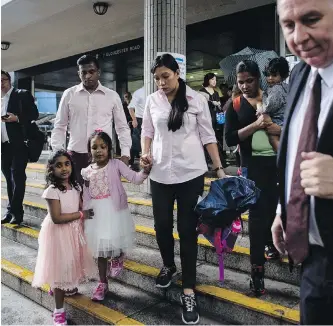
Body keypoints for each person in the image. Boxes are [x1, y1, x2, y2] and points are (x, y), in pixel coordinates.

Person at [271, 0, 333, 324]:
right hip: (313, 268)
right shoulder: (300, 74)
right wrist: (286, 209)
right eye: (289, 25)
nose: (299, 37)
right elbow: (295, 150)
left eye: (311, 19)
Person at [141, 53, 226, 325]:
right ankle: (168, 265)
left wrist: (220, 169)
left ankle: (188, 289)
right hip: (160, 174)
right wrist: (145, 153)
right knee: (161, 225)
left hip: (191, 173)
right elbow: (147, 131)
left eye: (165, 76)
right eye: (157, 78)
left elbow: (208, 136)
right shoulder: (152, 101)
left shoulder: (196, 99)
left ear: (177, 73)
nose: (161, 83)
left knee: (187, 230)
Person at [225, 60, 282, 296]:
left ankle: (272, 242)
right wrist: (256, 124)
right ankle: (257, 273)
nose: (245, 85)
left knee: (273, 212)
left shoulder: (274, 99)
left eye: (250, 80)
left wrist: (272, 126)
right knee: (257, 221)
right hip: (253, 169)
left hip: (278, 165)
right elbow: (229, 139)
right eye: (241, 82)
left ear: (258, 78)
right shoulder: (235, 105)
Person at [81, 130, 151, 301]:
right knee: (100, 251)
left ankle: (118, 255)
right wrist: (84, 213)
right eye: (94, 147)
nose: (99, 151)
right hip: (96, 214)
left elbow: (134, 178)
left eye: (103, 147)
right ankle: (102, 283)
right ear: (89, 150)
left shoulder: (116, 165)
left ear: (110, 148)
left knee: (115, 239)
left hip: (114, 211)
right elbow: (86, 194)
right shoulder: (86, 171)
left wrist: (145, 171)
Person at [32, 150, 97, 326]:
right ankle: (58, 310)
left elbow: (82, 205)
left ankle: (63, 287)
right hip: (58, 235)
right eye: (59, 165)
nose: (64, 168)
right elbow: (57, 218)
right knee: (59, 270)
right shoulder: (52, 191)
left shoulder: (76, 187)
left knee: (72, 262)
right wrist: (81, 214)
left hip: (74, 233)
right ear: (51, 169)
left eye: (67, 164)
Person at [51, 54, 131, 184]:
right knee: (76, 198)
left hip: (102, 157)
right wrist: (58, 153)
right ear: (79, 74)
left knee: (102, 199)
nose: (87, 76)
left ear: (98, 72)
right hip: (75, 156)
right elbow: (60, 126)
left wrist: (125, 154)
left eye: (91, 71)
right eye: (83, 72)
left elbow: (121, 127)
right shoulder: (69, 95)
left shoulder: (112, 96)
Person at [1, 70, 39, 225]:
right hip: (4, 146)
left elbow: (34, 114)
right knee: (9, 179)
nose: (1, 83)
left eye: (3, 80)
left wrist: (17, 118)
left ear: (10, 81)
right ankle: (12, 211)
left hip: (19, 144)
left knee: (17, 176)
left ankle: (15, 212)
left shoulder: (21, 94)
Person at [257, 57, 290, 152]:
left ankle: (281, 156)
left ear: (283, 76)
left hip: (278, 120)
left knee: (273, 138)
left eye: (274, 75)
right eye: (268, 75)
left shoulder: (276, 89)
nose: (270, 78)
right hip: (284, 120)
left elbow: (270, 106)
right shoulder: (286, 87)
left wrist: (260, 108)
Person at [128, 86, 145, 167]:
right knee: (135, 142)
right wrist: (134, 120)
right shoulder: (139, 92)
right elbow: (130, 108)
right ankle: (130, 162)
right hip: (139, 120)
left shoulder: (156, 91)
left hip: (150, 119)